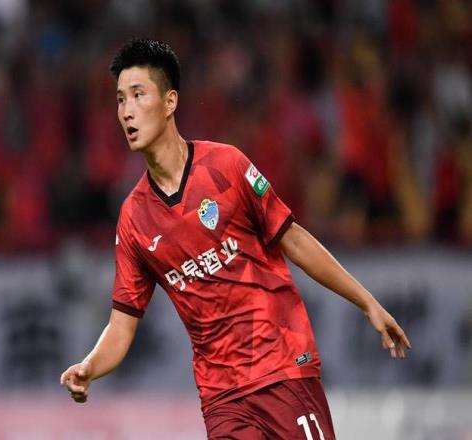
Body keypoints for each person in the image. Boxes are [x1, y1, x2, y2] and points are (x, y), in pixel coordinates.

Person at [60, 38, 411, 440]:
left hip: (283, 370)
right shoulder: (134, 218)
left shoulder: (225, 165)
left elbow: (293, 239)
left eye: (138, 95)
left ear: (170, 102)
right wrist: (90, 366)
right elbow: (121, 327)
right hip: (222, 398)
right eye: (121, 99)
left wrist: (366, 302)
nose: (126, 111)